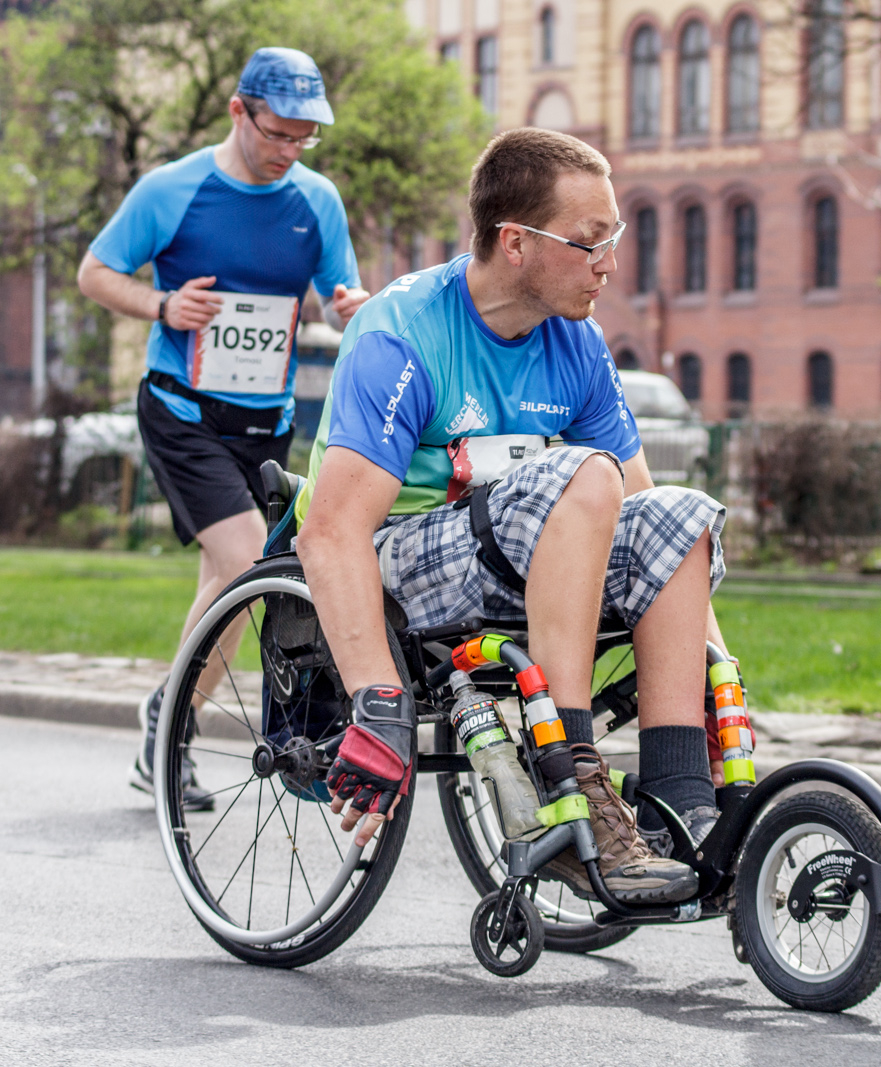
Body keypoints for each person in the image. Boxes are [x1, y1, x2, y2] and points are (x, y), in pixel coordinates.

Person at [295, 128, 731, 904]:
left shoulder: (579, 342)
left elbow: (647, 517)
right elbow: (330, 532)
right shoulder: (403, 335)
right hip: (401, 558)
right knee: (584, 476)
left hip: (516, 550)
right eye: (588, 242)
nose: (609, 263)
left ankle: (683, 793)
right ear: (516, 243)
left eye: (614, 239)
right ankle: (565, 771)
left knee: (681, 512)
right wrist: (377, 699)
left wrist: (713, 669)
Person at [77, 47, 369, 809]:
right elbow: (95, 272)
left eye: (305, 138)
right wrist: (162, 307)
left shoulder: (317, 200)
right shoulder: (172, 190)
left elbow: (343, 289)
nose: (290, 151)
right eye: (278, 133)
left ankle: (164, 722)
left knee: (227, 584)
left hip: (265, 421)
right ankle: (169, 731)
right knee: (246, 562)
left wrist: (350, 309)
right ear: (239, 111)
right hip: (180, 410)